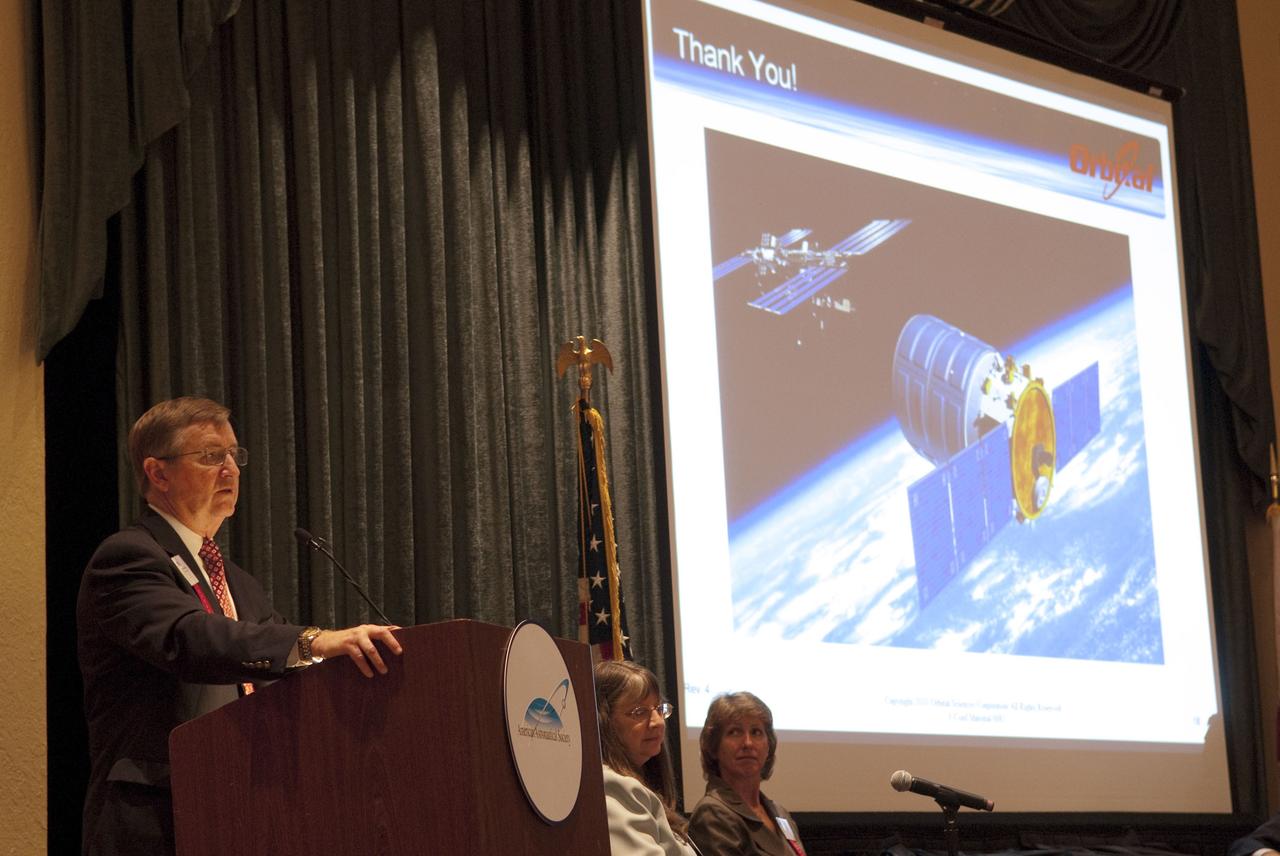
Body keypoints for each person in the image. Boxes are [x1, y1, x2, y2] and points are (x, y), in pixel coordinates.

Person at [76, 396, 404, 856]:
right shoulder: (128, 557)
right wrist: (318, 641)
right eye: (210, 456)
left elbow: (284, 668)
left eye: (234, 454)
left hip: (243, 811)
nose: (230, 468)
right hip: (157, 817)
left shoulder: (237, 583)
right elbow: (190, 638)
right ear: (158, 473)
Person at [595, 659, 698, 856]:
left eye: (659, 709)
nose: (658, 722)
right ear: (604, 722)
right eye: (639, 712)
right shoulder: (613, 786)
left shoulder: (639, 788)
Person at [688, 692, 805, 856]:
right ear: (713, 747)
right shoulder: (712, 813)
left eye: (756, 732)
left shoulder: (779, 813)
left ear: (768, 746)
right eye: (735, 732)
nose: (748, 743)